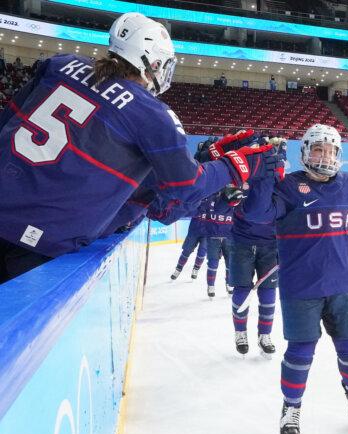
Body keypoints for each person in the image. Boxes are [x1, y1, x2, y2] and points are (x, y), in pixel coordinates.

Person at [0, 12, 279, 283]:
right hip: (38, 246)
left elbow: (6, 123)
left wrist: (205, 159)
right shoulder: (153, 114)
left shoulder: (60, 65)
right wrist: (236, 165)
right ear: (153, 64)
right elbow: (184, 188)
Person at [243, 124, 348, 434]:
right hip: (300, 289)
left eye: (331, 150)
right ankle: (291, 408)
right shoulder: (287, 187)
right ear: (305, 152)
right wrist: (261, 180)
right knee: (300, 352)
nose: (325, 155)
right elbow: (257, 214)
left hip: (344, 285)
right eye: (318, 149)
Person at [228, 137, 283, 358]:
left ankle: (265, 335)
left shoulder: (278, 178)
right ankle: (240, 332)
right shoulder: (240, 176)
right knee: (242, 289)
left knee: (268, 292)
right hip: (242, 241)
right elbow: (228, 201)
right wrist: (229, 197)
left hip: (270, 244)